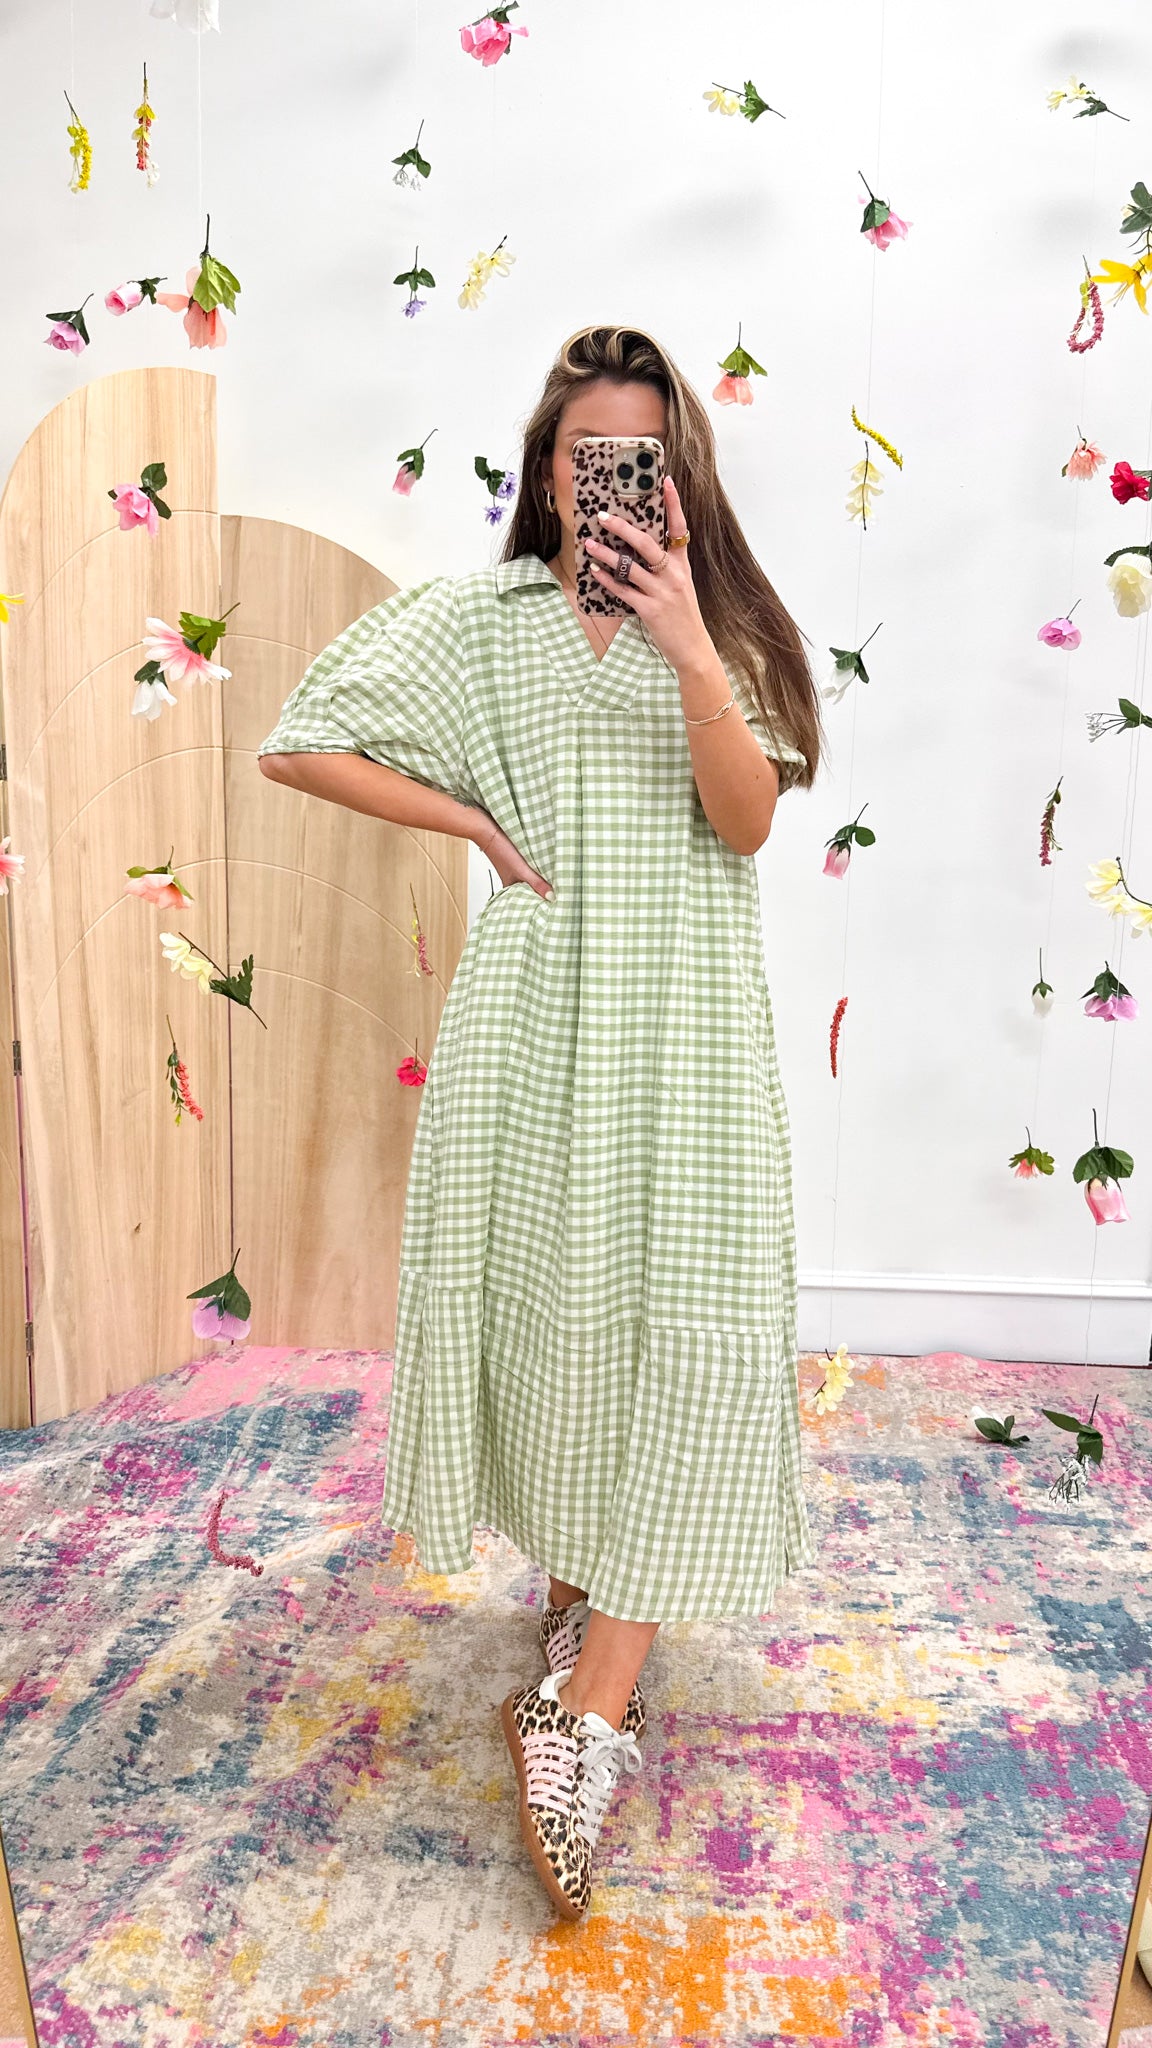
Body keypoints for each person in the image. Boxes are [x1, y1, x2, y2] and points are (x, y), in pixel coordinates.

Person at [257, 322, 824, 1922]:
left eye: (638, 456)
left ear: (678, 470)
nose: (610, 484)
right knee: (559, 1319)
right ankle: (582, 1610)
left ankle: (587, 1710)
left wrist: (689, 644)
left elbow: (746, 823)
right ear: (551, 473)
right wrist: (474, 824)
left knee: (690, 1321)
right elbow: (300, 739)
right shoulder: (485, 621)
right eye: (588, 457)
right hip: (533, 1018)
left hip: (686, 1022)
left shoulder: (731, 626)